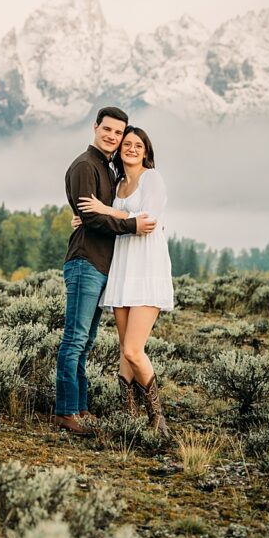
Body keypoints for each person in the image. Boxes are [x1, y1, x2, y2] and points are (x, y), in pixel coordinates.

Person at [54, 107, 157, 436]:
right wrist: (130, 224)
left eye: (118, 132)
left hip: (101, 266)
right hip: (85, 262)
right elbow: (93, 217)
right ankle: (66, 412)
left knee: (86, 342)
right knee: (74, 340)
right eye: (108, 130)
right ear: (95, 128)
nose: (113, 137)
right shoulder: (85, 165)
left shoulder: (108, 168)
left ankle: (81, 408)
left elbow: (96, 212)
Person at [75, 125, 173, 435]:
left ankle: (158, 419)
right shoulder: (117, 186)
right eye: (126, 144)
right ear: (120, 151)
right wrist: (88, 218)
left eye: (137, 145)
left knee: (133, 349)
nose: (131, 149)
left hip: (146, 269)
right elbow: (109, 218)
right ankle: (128, 415)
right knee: (123, 350)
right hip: (123, 270)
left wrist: (104, 211)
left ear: (146, 151)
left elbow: (147, 220)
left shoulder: (152, 179)